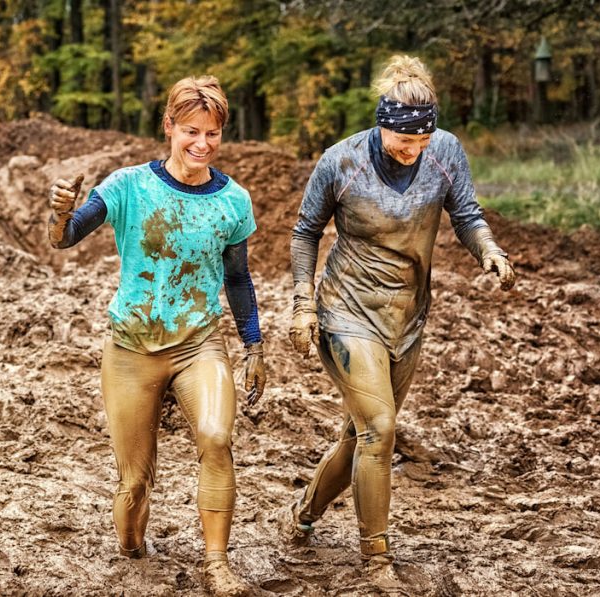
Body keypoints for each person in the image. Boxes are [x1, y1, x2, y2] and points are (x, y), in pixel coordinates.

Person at [284, 55, 516, 566]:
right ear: (381, 124)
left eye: (420, 142)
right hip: (346, 309)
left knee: (361, 433)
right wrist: (303, 304)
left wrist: (489, 250)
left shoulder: (446, 152)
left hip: (408, 317)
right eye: (401, 141)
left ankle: (303, 513)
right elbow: (304, 233)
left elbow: (468, 215)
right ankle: (377, 559)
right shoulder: (341, 162)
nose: (411, 152)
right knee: (381, 429)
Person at [47, 75, 266, 597]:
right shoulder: (127, 186)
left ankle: (218, 565)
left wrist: (254, 343)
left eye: (212, 134)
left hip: (199, 342)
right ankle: (132, 547)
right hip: (131, 348)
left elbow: (237, 277)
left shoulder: (233, 201)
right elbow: (68, 237)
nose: (201, 144)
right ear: (168, 127)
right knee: (134, 483)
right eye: (191, 131)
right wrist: (59, 213)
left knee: (216, 438)